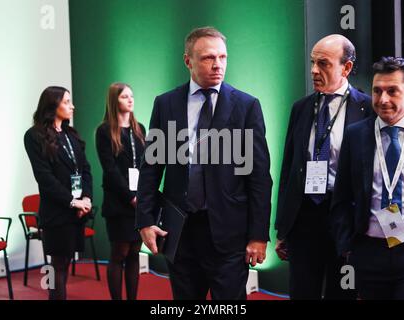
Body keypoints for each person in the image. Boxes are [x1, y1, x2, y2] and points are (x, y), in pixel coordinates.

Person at [135, 26, 272, 300]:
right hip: (179, 232)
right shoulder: (166, 104)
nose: (218, 65)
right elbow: (151, 167)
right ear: (188, 61)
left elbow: (259, 177)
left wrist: (259, 234)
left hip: (229, 233)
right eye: (209, 57)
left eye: (223, 57)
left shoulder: (246, 106)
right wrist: (145, 221)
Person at [274, 34, 373, 299]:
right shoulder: (301, 108)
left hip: (346, 219)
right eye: (312, 62)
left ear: (347, 67)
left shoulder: (368, 109)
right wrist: (282, 227)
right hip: (305, 217)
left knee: (341, 295)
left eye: (324, 64)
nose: (314, 70)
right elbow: (289, 169)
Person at [331, 57, 404, 300]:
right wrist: (348, 246)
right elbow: (341, 197)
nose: (383, 99)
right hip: (369, 252)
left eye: (392, 91)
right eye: (377, 91)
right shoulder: (356, 135)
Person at [24, 86, 93, 300]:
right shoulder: (34, 136)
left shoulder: (71, 135)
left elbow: (86, 170)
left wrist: (87, 199)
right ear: (52, 105)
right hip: (56, 213)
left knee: (65, 264)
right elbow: (44, 179)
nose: (72, 106)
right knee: (56, 267)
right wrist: (73, 202)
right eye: (66, 102)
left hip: (77, 212)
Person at [95, 83, 146, 300]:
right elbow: (110, 169)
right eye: (125, 96)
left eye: (132, 96)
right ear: (115, 100)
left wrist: (144, 195)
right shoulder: (104, 130)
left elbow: (146, 165)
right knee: (119, 254)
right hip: (119, 203)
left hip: (140, 201)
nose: (130, 100)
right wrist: (130, 196)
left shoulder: (140, 128)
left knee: (135, 253)